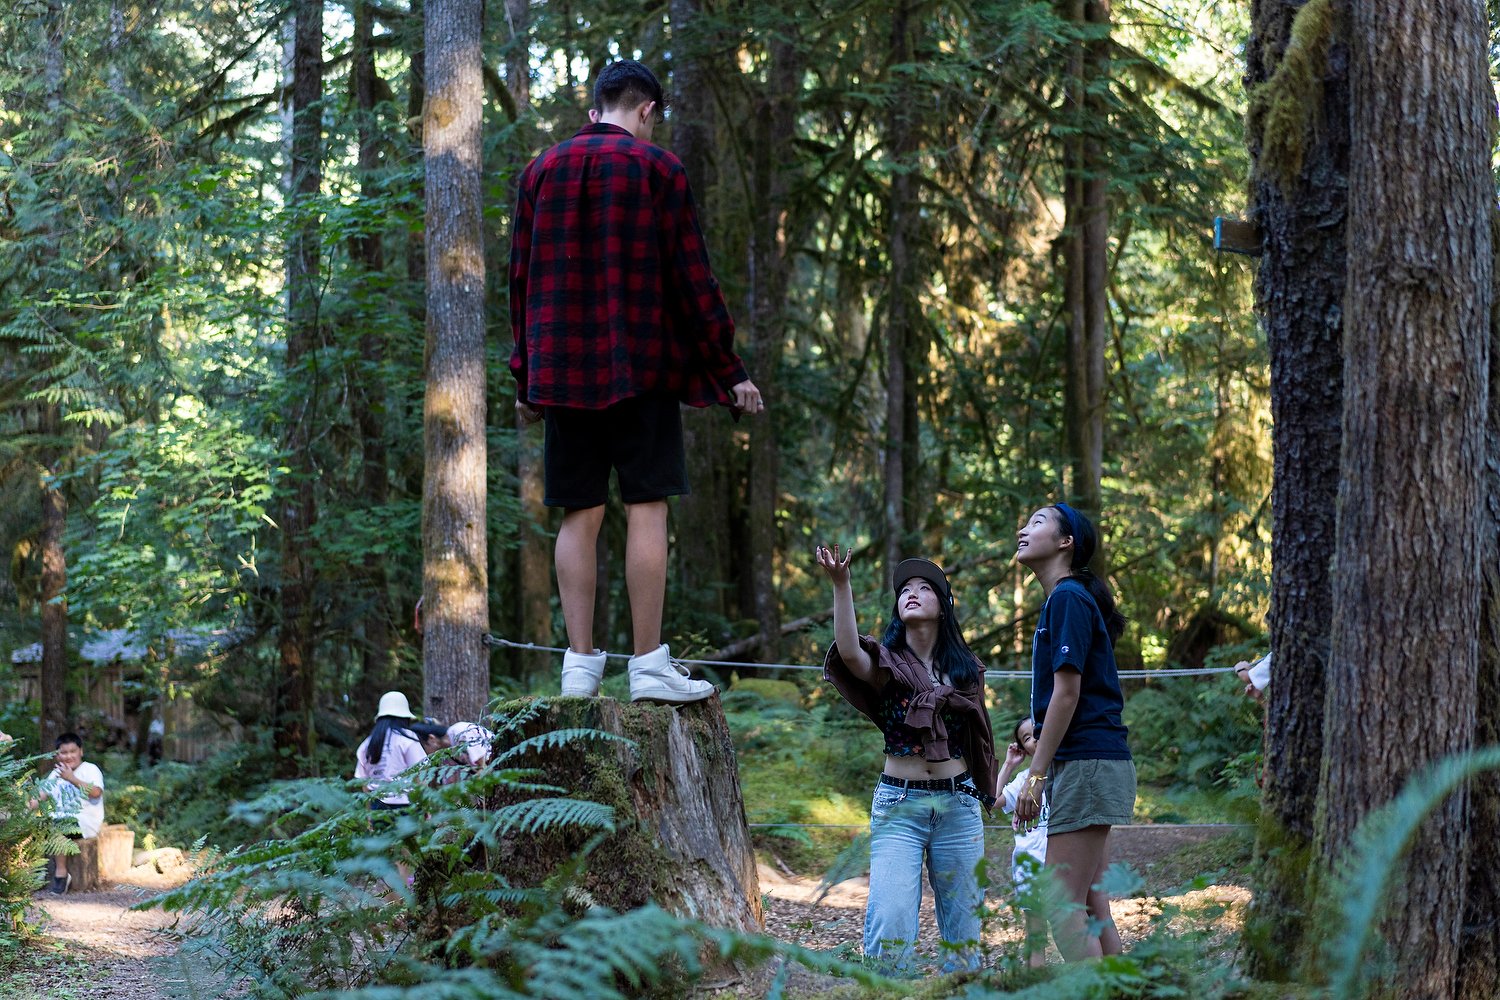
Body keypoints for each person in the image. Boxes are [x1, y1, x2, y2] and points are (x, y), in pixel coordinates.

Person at [508, 58, 765, 704]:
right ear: (647, 109)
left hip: (563, 372)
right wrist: (728, 369)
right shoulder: (658, 169)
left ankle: (580, 667)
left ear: (597, 107)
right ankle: (648, 664)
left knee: (580, 512)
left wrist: (525, 376)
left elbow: (520, 282)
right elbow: (691, 279)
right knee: (647, 505)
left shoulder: (540, 171)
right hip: (642, 368)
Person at [815, 544, 997, 973]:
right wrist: (842, 585)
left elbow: (979, 741)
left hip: (959, 805)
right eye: (904, 589)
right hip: (899, 805)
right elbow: (848, 652)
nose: (911, 593)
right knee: (891, 921)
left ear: (944, 607)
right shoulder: (886, 663)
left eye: (924, 587)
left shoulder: (967, 670)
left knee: (965, 936)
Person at [1014, 503, 1136, 961]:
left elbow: (1066, 694)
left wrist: (1036, 774)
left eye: (1038, 522)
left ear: (1066, 543)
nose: (1024, 530)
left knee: (1059, 903)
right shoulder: (1066, 600)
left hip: (1087, 762)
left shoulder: (1067, 598)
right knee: (1088, 900)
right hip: (1093, 762)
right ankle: (1125, 993)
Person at [997, 716, 1050, 968]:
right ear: (1023, 748)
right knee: (1036, 935)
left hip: (1064, 863)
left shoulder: (1067, 770)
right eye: (1026, 738)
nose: (1034, 739)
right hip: (1030, 866)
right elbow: (993, 800)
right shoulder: (1023, 779)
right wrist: (1008, 764)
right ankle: (1035, 984)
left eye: (1037, 731)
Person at [37, 732, 105, 894]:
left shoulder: (90, 769)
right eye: (64, 752)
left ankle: (61, 873)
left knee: (58, 824)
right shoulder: (56, 773)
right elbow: (37, 798)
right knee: (39, 824)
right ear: (57, 755)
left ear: (81, 751)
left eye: (72, 751)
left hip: (85, 823)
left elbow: (96, 792)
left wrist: (71, 778)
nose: (68, 756)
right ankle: (35, 872)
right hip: (60, 821)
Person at [355, 692, 428, 811]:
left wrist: (369, 813)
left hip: (377, 804)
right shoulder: (407, 739)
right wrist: (425, 806)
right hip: (407, 805)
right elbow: (421, 775)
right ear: (405, 717)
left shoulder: (367, 743)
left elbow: (364, 782)